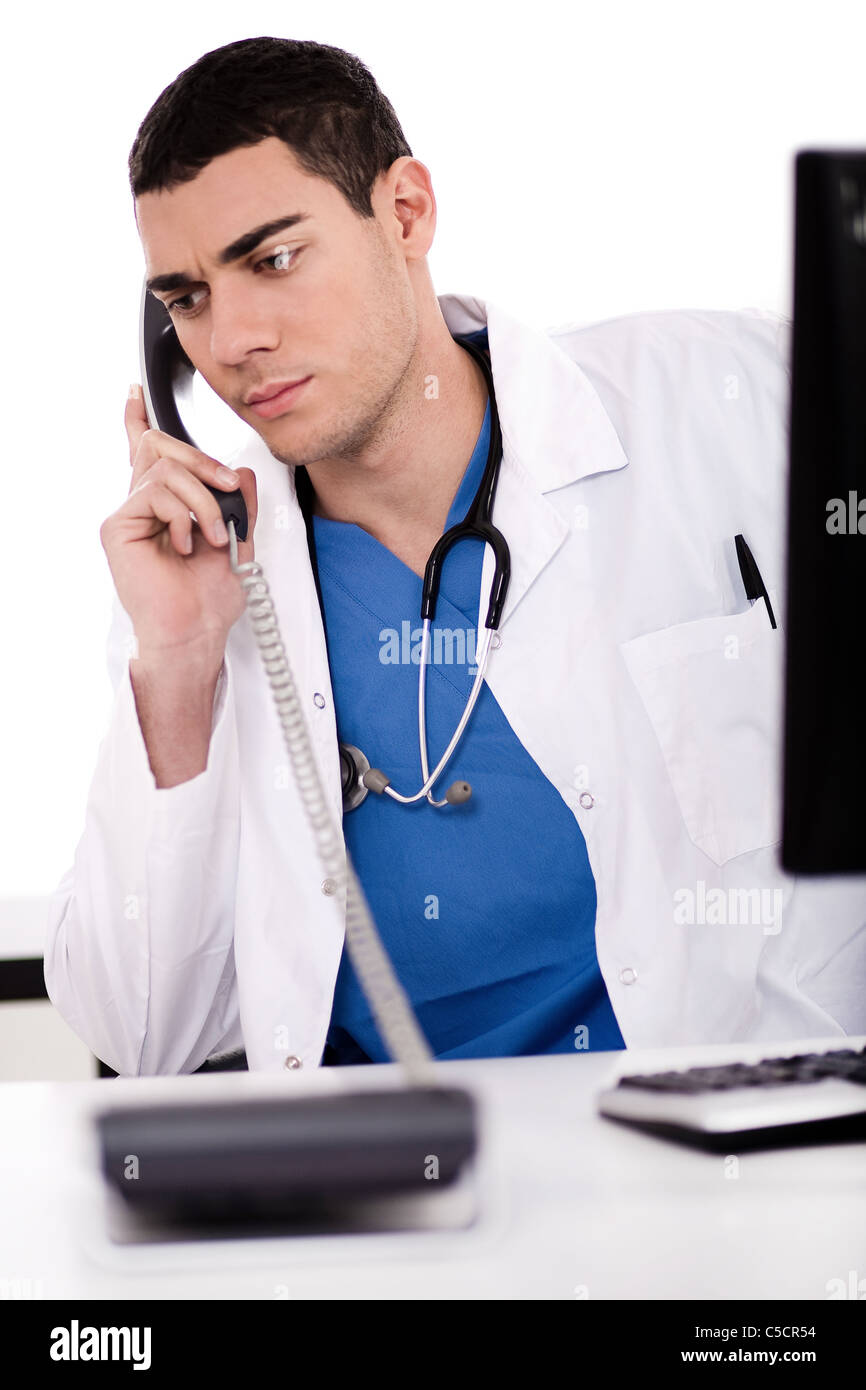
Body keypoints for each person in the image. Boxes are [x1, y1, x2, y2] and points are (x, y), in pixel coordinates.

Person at [44, 37, 866, 1076]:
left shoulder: (730, 397)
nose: (232, 338)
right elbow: (142, 1035)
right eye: (187, 298)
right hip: (409, 1202)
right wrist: (175, 663)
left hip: (738, 1157)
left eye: (272, 258)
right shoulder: (204, 581)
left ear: (404, 214)